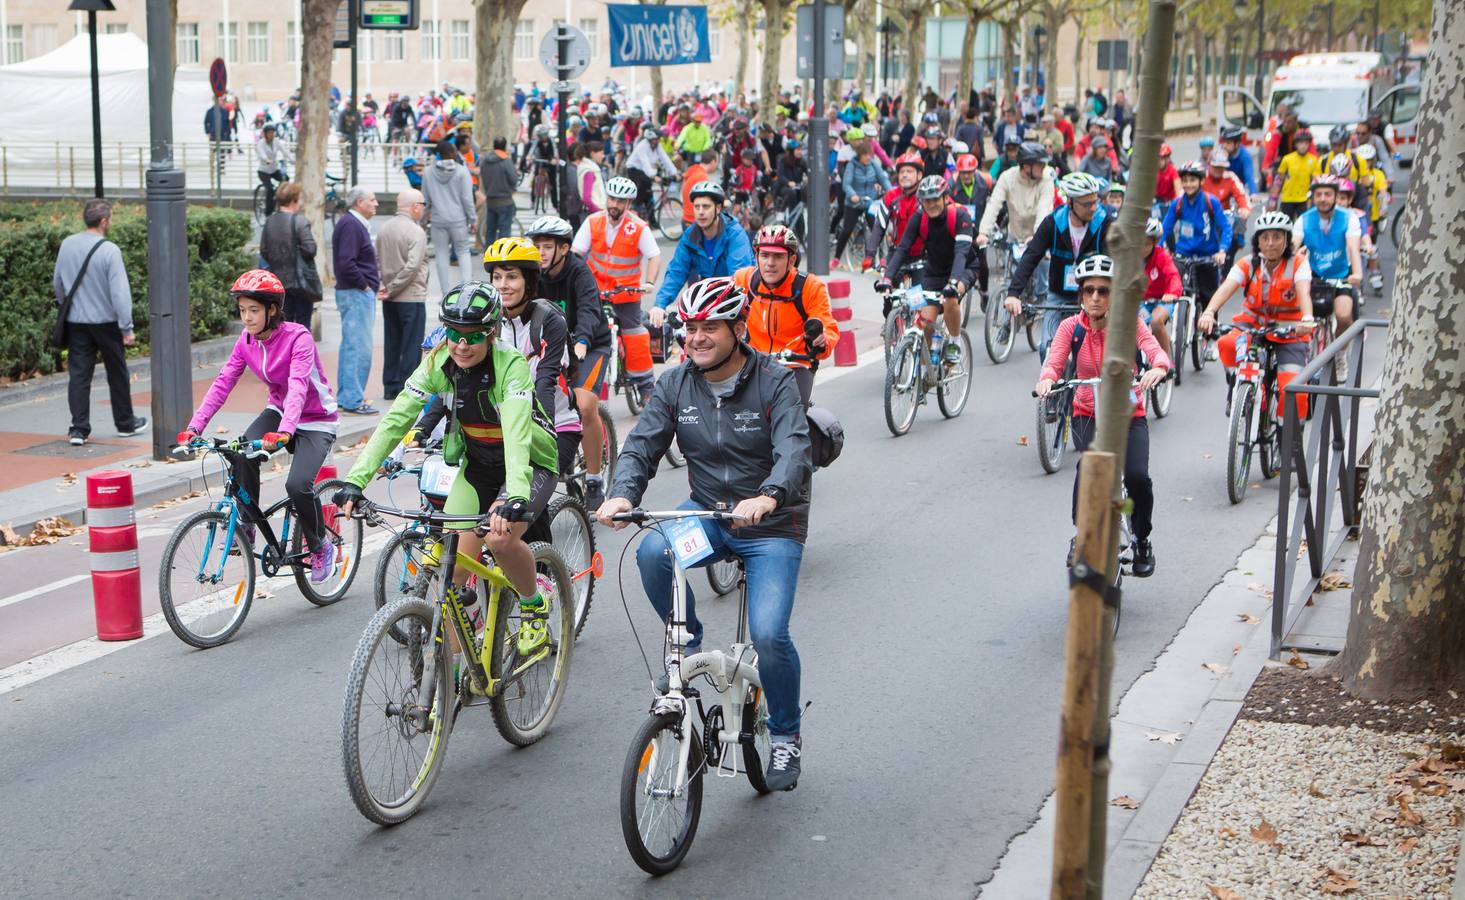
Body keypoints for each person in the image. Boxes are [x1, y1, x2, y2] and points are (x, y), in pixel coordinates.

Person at [596, 277, 813, 791]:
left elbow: (794, 450)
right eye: (690, 327)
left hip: (771, 526)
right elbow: (642, 446)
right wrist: (624, 493)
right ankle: (686, 646)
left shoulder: (775, 381)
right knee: (651, 551)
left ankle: (785, 735)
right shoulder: (675, 384)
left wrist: (769, 497)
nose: (695, 337)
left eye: (709, 327)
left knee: (768, 634)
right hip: (708, 514)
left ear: (738, 329)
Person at [335, 283, 563, 657]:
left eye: (473, 336)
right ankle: (453, 679)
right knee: (452, 572)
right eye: (454, 334)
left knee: (500, 540)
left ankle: (533, 604)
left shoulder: (512, 366)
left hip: (528, 465)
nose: (461, 345)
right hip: (478, 466)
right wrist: (355, 481)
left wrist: (515, 496)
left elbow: (518, 435)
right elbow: (396, 420)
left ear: (491, 333)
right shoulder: (439, 362)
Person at [177, 269, 340, 580]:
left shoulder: (298, 338)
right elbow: (224, 382)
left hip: (316, 419)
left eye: (253, 310)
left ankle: (320, 546)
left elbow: (298, 387)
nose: (247, 318)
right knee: (240, 452)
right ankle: (248, 523)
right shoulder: (246, 341)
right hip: (279, 412)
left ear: (272, 309)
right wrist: (195, 427)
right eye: (242, 310)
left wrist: (285, 432)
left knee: (298, 485)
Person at [1035, 254, 1168, 577]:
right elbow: (1055, 359)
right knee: (1089, 468)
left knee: (1137, 477)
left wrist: (1159, 367)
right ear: (1080, 294)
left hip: (1128, 414)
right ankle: (1082, 534)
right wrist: (1047, 379)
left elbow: (1152, 348)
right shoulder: (1070, 327)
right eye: (1089, 290)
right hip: (1087, 412)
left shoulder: (1129, 323)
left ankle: (1141, 537)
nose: (1096, 297)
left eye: (1104, 291)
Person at [527, 215, 615, 506]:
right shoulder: (533, 275)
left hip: (588, 347)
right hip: (552, 348)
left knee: (585, 405)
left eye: (547, 246)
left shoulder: (579, 272)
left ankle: (593, 479)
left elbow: (590, 310)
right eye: (536, 245)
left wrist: (581, 342)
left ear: (563, 248)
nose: (539, 252)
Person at [1197, 211, 1316, 419]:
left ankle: (1286, 440)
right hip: (1252, 325)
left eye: (1277, 237)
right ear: (1257, 242)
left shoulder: (1298, 263)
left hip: (1290, 331)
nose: (1271, 243)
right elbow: (1226, 288)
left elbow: (1304, 292)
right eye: (1265, 237)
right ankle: (1237, 385)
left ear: (1287, 240)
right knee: (1226, 343)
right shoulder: (1248, 263)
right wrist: (1209, 312)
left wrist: (1306, 318)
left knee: (1294, 392)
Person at [484, 237, 583, 478]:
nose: (502, 285)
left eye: (511, 277)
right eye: (497, 277)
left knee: (526, 502)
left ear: (528, 281)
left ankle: (592, 481)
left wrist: (545, 428)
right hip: (507, 428)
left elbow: (545, 381)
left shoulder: (548, 321)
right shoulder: (488, 322)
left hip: (557, 424)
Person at [54, 199, 148, 446]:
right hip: (106, 323)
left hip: (76, 321)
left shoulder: (67, 244)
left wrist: (69, 304)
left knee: (79, 375)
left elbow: (58, 285)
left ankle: (78, 429)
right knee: (117, 372)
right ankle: (125, 423)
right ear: (104, 221)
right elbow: (119, 293)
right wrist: (126, 327)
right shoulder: (109, 250)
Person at [573, 176, 662, 403]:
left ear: (628, 204)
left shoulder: (638, 228)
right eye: (612, 198)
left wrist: (649, 283)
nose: (614, 204)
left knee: (635, 335)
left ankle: (646, 386)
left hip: (627, 293)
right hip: (594, 292)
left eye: (620, 201)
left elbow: (654, 256)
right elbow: (576, 254)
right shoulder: (593, 222)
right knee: (582, 329)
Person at [1004, 171, 1111, 356]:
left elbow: (1113, 261)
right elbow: (1031, 257)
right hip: (1058, 295)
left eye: (1095, 202)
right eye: (1087, 204)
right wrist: (1013, 293)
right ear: (1070, 202)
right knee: (1048, 350)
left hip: (1094, 295)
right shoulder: (1052, 223)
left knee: (1097, 353)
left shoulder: (1104, 223)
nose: (1093, 208)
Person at [733, 225, 839, 406]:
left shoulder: (810, 286)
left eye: (778, 256)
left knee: (792, 415)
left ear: (792, 260)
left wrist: (821, 341)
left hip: (795, 365)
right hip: (753, 362)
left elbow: (827, 326)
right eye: (764, 255)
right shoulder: (744, 280)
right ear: (756, 257)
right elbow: (721, 310)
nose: (770, 263)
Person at [879, 174, 976, 365]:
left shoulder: (959, 216)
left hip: (963, 269)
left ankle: (954, 343)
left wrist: (954, 283)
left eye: (935, 199)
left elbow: (961, 254)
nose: (930, 204)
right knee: (923, 323)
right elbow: (902, 249)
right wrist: (887, 279)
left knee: (950, 300)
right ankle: (925, 375)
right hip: (934, 272)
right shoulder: (919, 218)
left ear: (945, 198)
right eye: (926, 200)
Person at [654, 181, 755, 325]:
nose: (700, 211)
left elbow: (739, 277)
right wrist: (660, 305)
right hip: (708, 302)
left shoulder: (735, 234)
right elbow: (677, 271)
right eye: (697, 207)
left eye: (706, 207)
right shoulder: (690, 236)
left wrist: (721, 306)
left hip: (736, 303)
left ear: (718, 208)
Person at [375, 188, 431, 402]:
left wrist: (385, 286)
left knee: (392, 341)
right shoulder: (416, 232)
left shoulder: (384, 229)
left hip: (390, 297)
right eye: (423, 205)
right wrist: (394, 287)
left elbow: (378, 260)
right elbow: (413, 266)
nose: (424, 210)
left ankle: (390, 386)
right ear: (415, 206)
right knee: (411, 344)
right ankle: (408, 388)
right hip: (411, 295)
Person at [1292, 175, 1362, 336]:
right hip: (1313, 276)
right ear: (1313, 197)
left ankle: (1339, 354)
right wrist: (1294, 253)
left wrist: (1357, 273)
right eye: (1318, 194)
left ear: (1336, 196)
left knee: (1344, 317)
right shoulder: (1303, 220)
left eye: (1328, 194)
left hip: (1341, 276)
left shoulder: (1349, 218)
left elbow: (1353, 248)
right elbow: (1293, 245)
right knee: (1302, 318)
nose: (1323, 199)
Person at [332, 185, 381, 415]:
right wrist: (364, 285)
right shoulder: (351, 224)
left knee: (351, 345)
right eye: (372, 199)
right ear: (360, 202)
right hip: (355, 293)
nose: (376, 204)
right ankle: (352, 399)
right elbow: (346, 262)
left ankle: (347, 396)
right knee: (358, 347)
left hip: (354, 291)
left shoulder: (349, 223)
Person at [1161, 161, 1231, 311]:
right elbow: (1165, 229)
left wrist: (1222, 251)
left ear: (1201, 181)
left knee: (1209, 298)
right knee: (1174, 289)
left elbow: (1225, 227)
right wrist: (1158, 250)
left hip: (1207, 256)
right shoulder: (1177, 204)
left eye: (1192, 180)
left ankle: (1210, 332)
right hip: (1183, 255)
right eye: (1185, 181)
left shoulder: (1210, 202)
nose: (1188, 184)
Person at [258, 182, 319, 328]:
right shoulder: (299, 221)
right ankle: (301, 351)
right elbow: (310, 249)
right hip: (300, 283)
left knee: (283, 325)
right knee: (303, 325)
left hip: (278, 283)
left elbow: (264, 251)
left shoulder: (270, 222)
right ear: (294, 200)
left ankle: (286, 351)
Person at [421, 138, 477, 292]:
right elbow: (467, 199)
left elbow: (425, 199)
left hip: (438, 219)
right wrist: (473, 219)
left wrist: (423, 220)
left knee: (441, 255)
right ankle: (467, 290)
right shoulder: (461, 171)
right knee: (463, 251)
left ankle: (445, 293)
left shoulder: (428, 172)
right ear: (452, 152)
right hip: (458, 219)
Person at [864, 151, 925, 270]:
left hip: (922, 254)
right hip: (897, 252)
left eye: (909, 171)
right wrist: (870, 255)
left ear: (919, 175)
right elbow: (879, 224)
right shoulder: (891, 196)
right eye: (902, 172)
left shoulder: (927, 195)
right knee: (885, 285)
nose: (904, 175)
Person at [834, 139, 890, 263]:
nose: (868, 158)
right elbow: (846, 184)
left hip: (870, 201)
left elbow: (883, 179)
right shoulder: (851, 165)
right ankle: (837, 257)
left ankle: (881, 257)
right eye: (866, 155)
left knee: (877, 228)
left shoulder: (873, 163)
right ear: (860, 155)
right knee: (847, 229)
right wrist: (853, 195)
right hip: (854, 202)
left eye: (870, 155)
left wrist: (891, 192)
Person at [1141, 217, 1183, 361]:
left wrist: (1171, 293)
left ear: (1155, 243)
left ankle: (1165, 361)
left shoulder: (1161, 256)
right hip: (1140, 302)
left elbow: (1173, 276)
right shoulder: (1130, 258)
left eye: (1146, 244)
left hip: (1162, 300)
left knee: (1156, 321)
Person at [478, 136, 519, 243]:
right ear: (505, 147)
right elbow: (514, 179)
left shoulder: (485, 161)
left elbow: (482, 175)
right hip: (505, 200)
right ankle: (502, 257)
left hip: (491, 200)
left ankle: (489, 255)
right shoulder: (506, 161)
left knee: (490, 230)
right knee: (504, 232)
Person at [255, 124, 290, 216]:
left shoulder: (276, 141)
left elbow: (285, 151)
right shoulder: (261, 143)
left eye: (273, 132)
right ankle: (268, 213)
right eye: (269, 133)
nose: (272, 134)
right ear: (265, 134)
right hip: (263, 171)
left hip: (274, 169)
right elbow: (261, 154)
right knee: (270, 189)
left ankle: (278, 197)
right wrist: (266, 160)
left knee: (286, 179)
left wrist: (293, 160)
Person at [1219, 126, 1258, 195]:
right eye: (1223, 142)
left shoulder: (1245, 156)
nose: (1224, 146)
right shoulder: (1221, 153)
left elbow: (1249, 177)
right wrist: (1223, 160)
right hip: (1224, 189)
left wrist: (1253, 194)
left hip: (1240, 189)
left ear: (1237, 144)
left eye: (1228, 143)